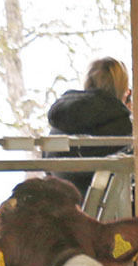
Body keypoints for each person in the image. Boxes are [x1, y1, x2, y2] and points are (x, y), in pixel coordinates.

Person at [47, 56, 133, 199]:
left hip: (63, 209)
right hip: (103, 212)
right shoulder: (121, 124)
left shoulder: (59, 122)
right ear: (123, 89)